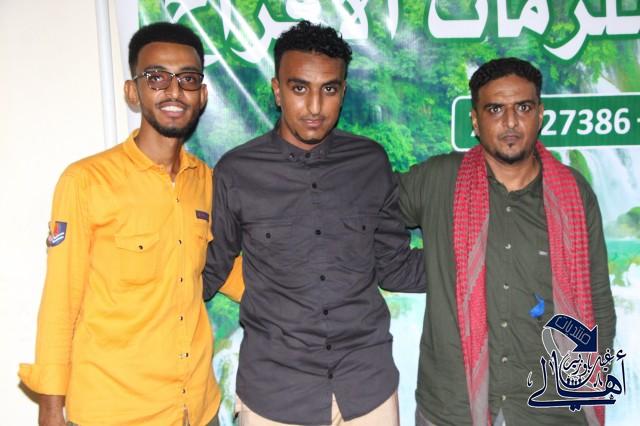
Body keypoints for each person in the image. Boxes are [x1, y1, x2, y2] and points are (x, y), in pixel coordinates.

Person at [19, 22, 243, 426]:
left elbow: (228, 270)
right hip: (115, 411)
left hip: (197, 409)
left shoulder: (208, 183)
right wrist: (50, 409)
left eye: (187, 79)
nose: (173, 91)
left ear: (202, 94)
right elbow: (60, 304)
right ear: (132, 91)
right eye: (156, 77)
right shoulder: (86, 181)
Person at [203, 20, 425, 425]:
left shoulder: (370, 162)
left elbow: (393, 265)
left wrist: (478, 260)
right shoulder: (237, 172)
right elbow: (210, 268)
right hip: (276, 394)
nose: (315, 107)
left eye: (329, 89)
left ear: (343, 91)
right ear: (277, 90)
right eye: (299, 88)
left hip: (367, 387)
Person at [399, 57, 616, 426]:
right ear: (475, 120)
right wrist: (426, 269)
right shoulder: (437, 180)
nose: (511, 122)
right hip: (452, 409)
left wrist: (586, 388)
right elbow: (364, 221)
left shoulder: (574, 195)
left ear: (540, 114)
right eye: (496, 109)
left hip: (551, 408)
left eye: (523, 108)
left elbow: (598, 303)